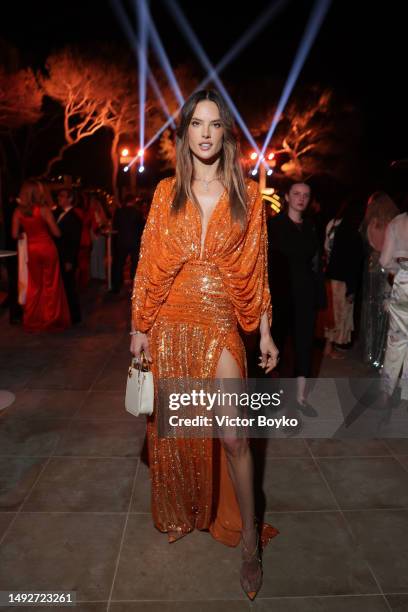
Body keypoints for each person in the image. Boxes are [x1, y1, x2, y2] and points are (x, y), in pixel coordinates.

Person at [130, 89, 279, 600]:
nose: (207, 133)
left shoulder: (249, 199)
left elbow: (257, 269)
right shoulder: (165, 193)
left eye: (216, 124)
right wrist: (139, 325)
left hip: (220, 321)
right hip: (171, 321)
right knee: (179, 430)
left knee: (233, 434)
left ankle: (249, 545)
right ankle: (186, 510)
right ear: (185, 133)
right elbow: (149, 263)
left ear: (225, 134)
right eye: (198, 123)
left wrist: (263, 329)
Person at [267, 181, 323, 416]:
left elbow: (316, 264)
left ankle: (300, 398)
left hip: (305, 295)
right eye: (297, 194)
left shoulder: (311, 226)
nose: (301, 198)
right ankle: (269, 397)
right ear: (287, 197)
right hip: (279, 295)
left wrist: (319, 297)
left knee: (304, 346)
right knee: (275, 345)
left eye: (306, 195)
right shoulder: (273, 225)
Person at [11, 179, 70, 332]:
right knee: (51, 284)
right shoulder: (43, 209)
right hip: (47, 248)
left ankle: (32, 319)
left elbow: (14, 234)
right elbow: (57, 233)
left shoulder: (18, 211)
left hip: (32, 250)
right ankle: (51, 318)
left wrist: (26, 234)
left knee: (34, 285)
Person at [360, 191, 399, 369]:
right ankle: (382, 355)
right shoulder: (393, 225)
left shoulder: (370, 225)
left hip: (372, 267)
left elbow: (368, 245)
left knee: (371, 310)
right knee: (385, 312)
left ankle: (370, 353)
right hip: (388, 270)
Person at [323, 199, 364, 358]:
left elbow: (327, 248)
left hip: (330, 275)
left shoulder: (332, 224)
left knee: (331, 313)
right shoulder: (353, 231)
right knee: (339, 314)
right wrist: (352, 288)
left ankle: (328, 346)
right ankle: (329, 347)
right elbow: (353, 262)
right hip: (343, 278)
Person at [379, 212, 408, 403]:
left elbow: (384, 261)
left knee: (396, 341)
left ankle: (384, 394)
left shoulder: (397, 221)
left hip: (404, 284)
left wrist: (399, 271)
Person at [55, 188, 82, 324]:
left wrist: (69, 260)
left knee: (69, 287)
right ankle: (66, 314)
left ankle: (74, 316)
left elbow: (74, 241)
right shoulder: (59, 213)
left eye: (62, 196)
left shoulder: (73, 217)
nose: (59, 198)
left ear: (70, 199)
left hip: (67, 258)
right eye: (59, 196)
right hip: (58, 255)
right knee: (64, 286)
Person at [111, 194, 145, 294]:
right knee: (135, 265)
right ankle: (134, 287)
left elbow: (115, 226)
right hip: (135, 242)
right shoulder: (137, 213)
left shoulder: (119, 212)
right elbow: (142, 227)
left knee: (119, 264)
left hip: (122, 242)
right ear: (133, 201)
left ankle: (116, 287)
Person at [89, 193, 108, 281]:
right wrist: (92, 235)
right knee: (94, 255)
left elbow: (105, 222)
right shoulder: (90, 212)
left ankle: (100, 275)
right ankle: (95, 275)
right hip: (95, 235)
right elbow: (89, 225)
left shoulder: (99, 212)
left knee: (100, 255)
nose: (95, 204)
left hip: (101, 235)